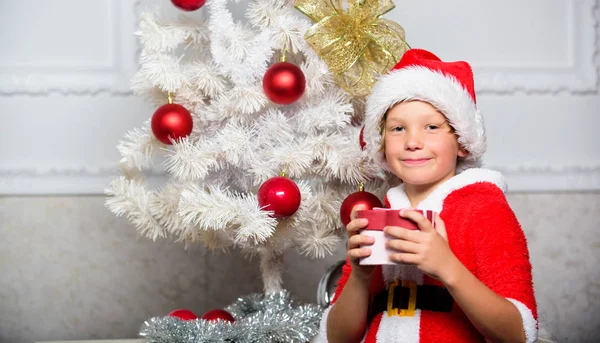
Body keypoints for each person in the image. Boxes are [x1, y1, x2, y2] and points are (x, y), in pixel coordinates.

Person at [313, 49, 538, 343]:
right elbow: (338, 338)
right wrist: (360, 277)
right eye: (397, 128)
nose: (412, 142)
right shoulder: (381, 215)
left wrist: (446, 267)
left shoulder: (484, 208)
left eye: (431, 127)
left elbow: (519, 334)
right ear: (381, 144)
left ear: (463, 143)